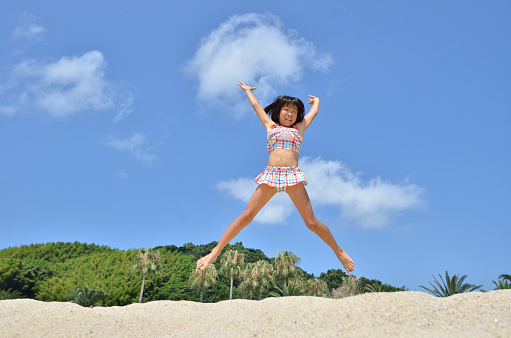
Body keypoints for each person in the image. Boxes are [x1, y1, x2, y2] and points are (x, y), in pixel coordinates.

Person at [197, 81, 355, 274]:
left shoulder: (299, 129)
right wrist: (248, 91)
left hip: (292, 177)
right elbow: (256, 107)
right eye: (286, 110)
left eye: (294, 112)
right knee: (246, 216)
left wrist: (318, 103)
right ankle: (215, 251)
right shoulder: (270, 126)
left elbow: (313, 114)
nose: (290, 114)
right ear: (278, 112)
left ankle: (338, 251)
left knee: (311, 222)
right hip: (271, 176)